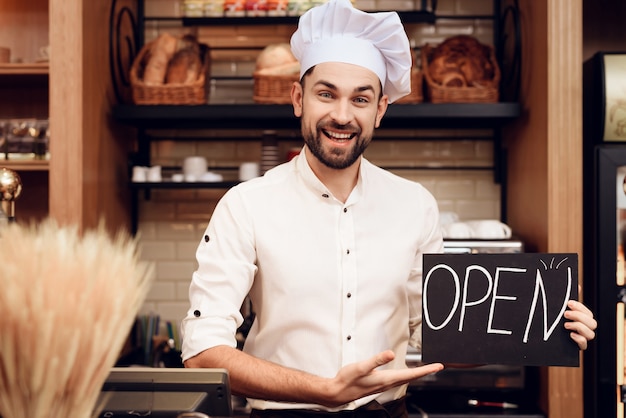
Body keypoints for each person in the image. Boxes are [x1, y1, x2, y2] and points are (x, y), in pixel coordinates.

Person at [181, 0, 598, 416]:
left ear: (380, 110)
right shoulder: (246, 205)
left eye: (361, 99)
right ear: (298, 98)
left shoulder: (414, 205)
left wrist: (540, 324)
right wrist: (323, 390)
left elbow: (436, 338)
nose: (341, 115)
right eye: (326, 94)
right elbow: (202, 352)